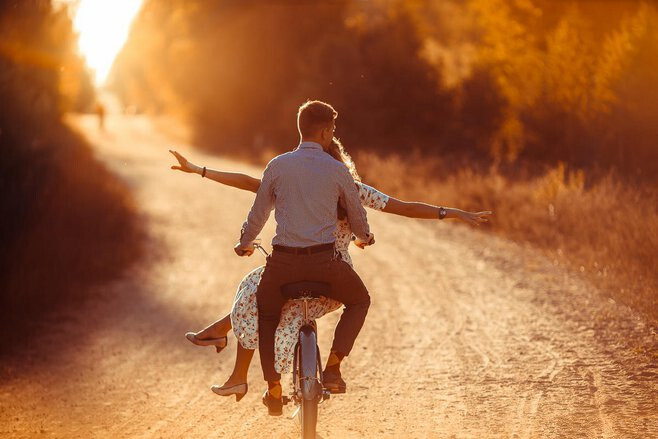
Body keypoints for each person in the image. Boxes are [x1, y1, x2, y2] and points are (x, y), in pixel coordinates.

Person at [171, 101, 492, 415]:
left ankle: (258, 378)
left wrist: (203, 174)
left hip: (290, 267)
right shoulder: (344, 180)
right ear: (329, 140)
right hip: (330, 271)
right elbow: (404, 207)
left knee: (257, 294)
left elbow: (252, 188)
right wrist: (451, 214)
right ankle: (330, 367)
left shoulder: (287, 172)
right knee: (343, 299)